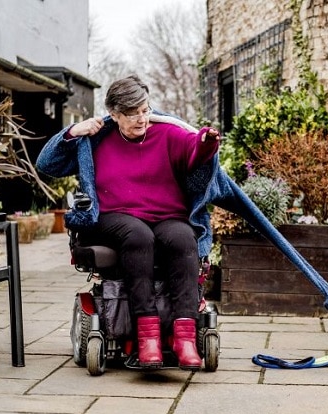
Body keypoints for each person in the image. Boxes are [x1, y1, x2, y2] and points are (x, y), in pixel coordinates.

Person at [36, 74, 220, 370]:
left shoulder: (166, 133)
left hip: (164, 216)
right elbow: (47, 164)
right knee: (138, 235)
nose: (142, 118)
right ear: (114, 114)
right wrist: (72, 132)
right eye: (132, 113)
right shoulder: (96, 139)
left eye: (145, 109)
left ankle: (184, 338)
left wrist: (206, 143)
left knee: (184, 238)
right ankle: (146, 337)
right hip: (113, 218)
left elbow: (193, 150)